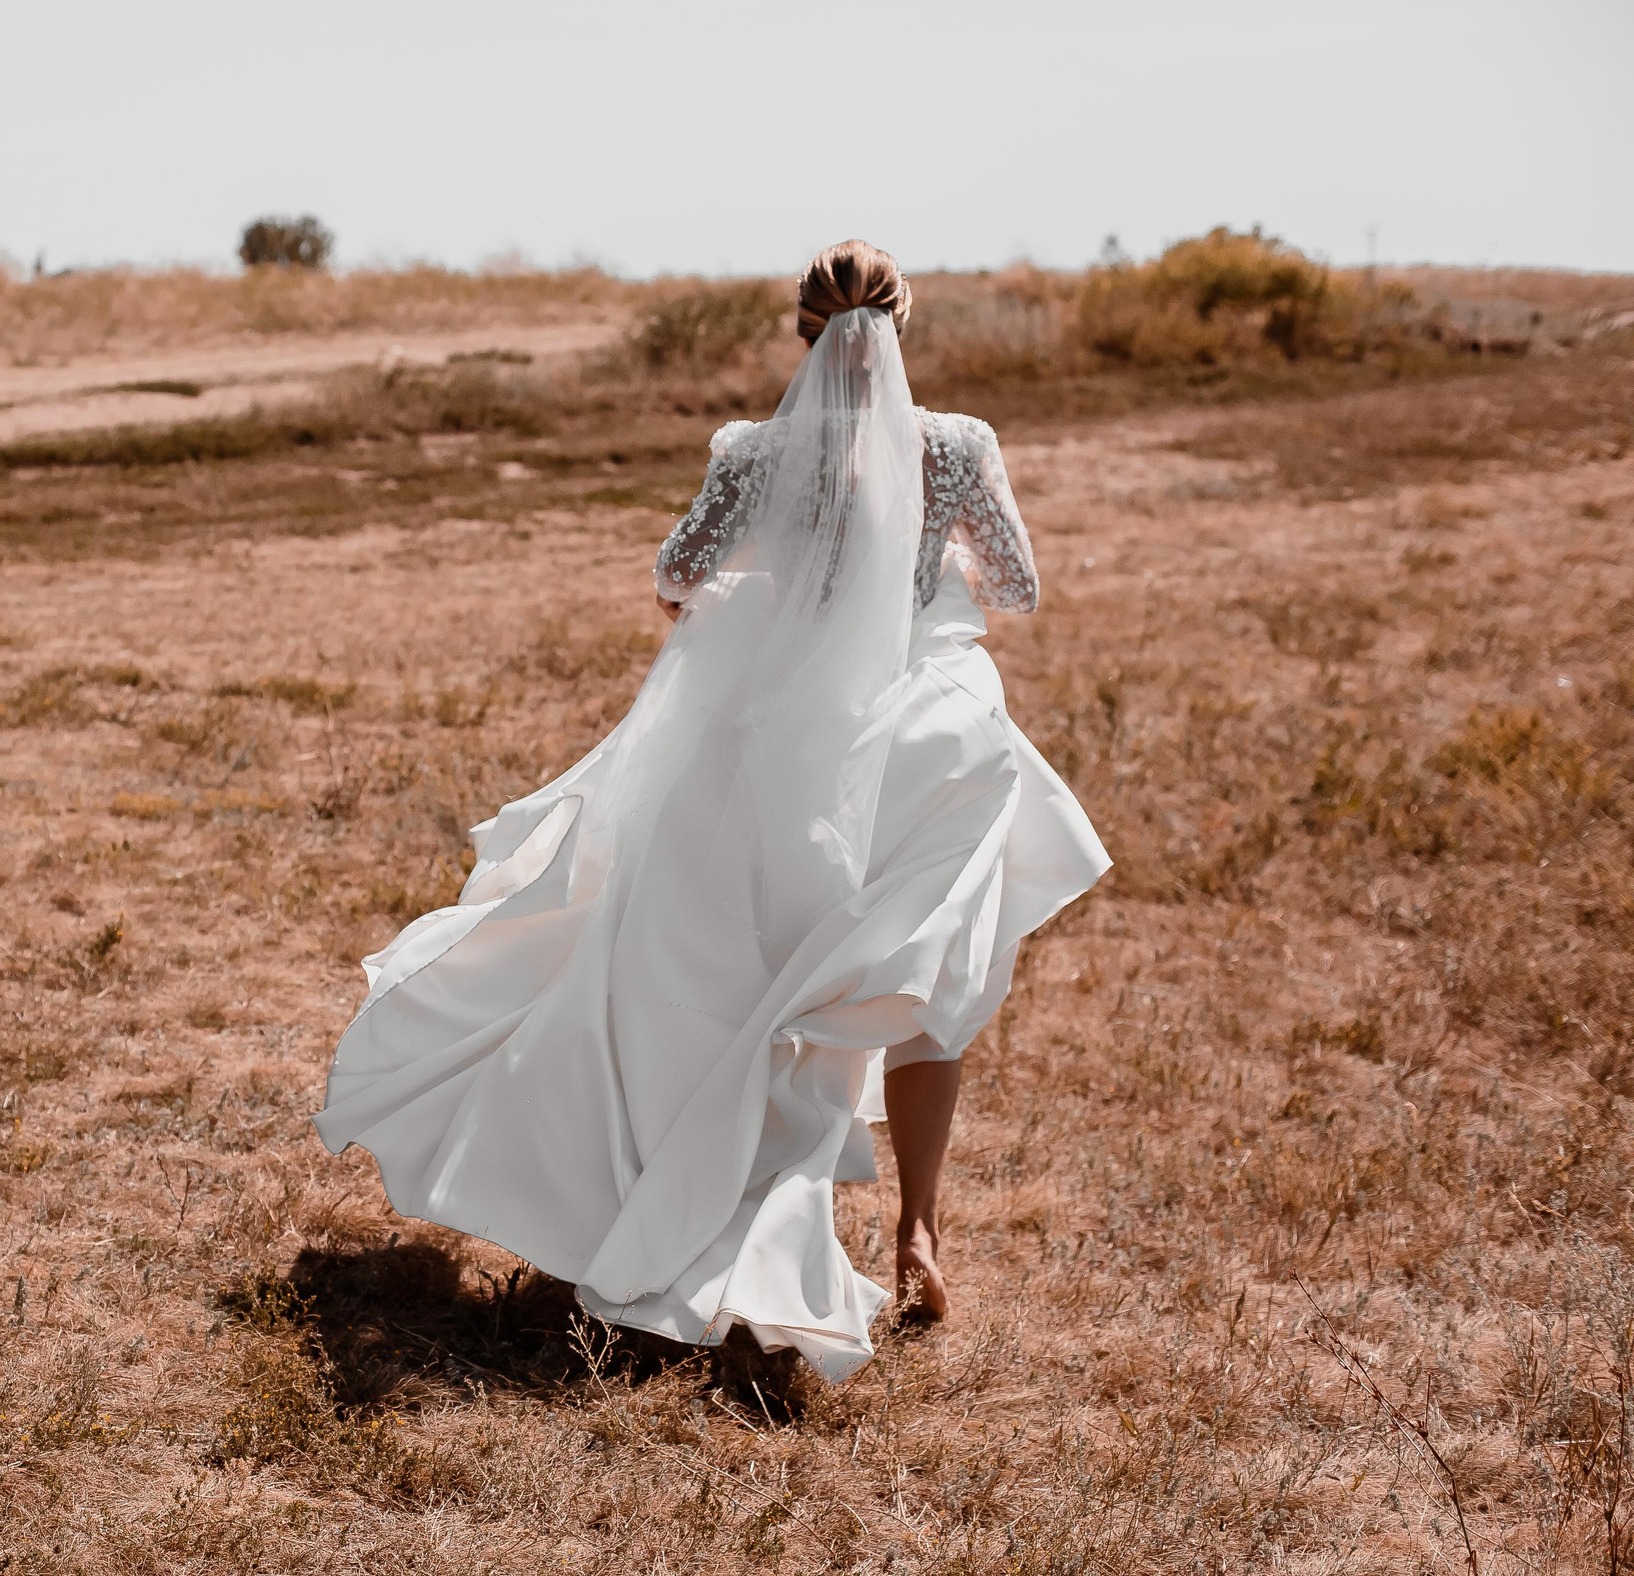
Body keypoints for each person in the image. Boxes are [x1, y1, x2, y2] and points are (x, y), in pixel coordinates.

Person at [315, 241, 1109, 1382]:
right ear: (902, 327)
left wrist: (772, 592)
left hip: (785, 748)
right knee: (918, 989)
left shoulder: (752, 453)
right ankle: (918, 1229)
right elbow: (1018, 587)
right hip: (928, 737)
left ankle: (696, 1216)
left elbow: (678, 571)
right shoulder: (956, 447)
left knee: (752, 994)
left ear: (803, 331)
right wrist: (915, 578)